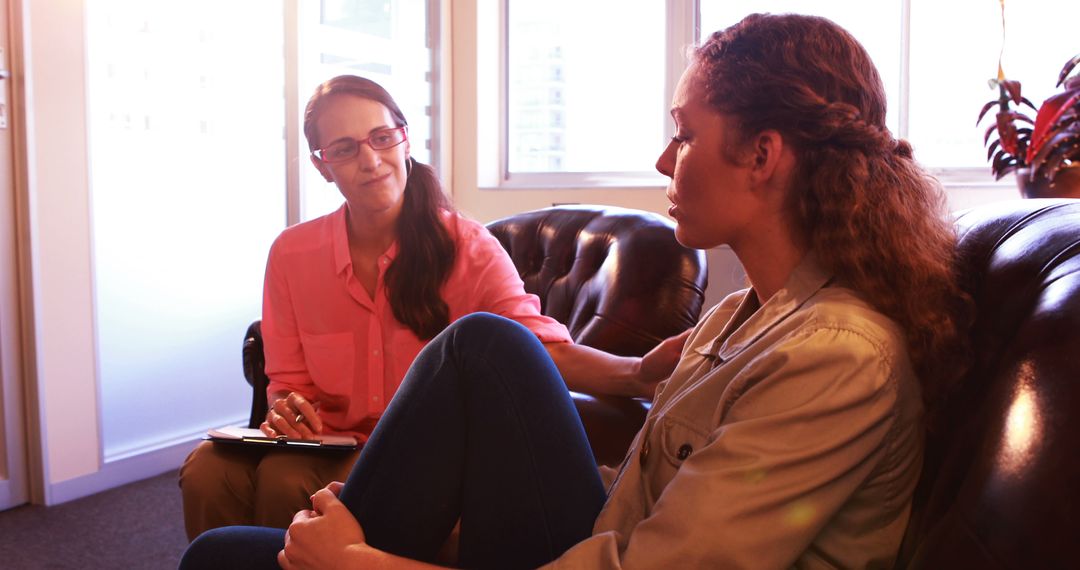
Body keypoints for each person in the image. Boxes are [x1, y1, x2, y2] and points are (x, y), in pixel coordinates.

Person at [179, 13, 971, 569]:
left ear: (762, 154)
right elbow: (640, 495)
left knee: (486, 344)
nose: (666, 161)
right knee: (223, 525)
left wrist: (363, 562)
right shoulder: (737, 315)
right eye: (344, 148)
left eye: (685, 133)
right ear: (322, 163)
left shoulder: (834, 356)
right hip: (586, 528)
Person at [179, 75, 684, 542]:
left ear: (404, 138)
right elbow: (288, 381)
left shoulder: (466, 246)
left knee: (283, 476)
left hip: (417, 456)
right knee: (207, 467)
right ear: (321, 164)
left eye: (382, 137)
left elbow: (535, 351)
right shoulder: (291, 255)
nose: (371, 160)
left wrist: (638, 374)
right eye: (345, 148)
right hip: (330, 445)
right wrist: (288, 411)